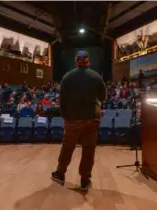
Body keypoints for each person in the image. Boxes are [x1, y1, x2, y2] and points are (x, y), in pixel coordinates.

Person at [51, 50, 106, 191]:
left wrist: (65, 116)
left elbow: (62, 100)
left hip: (73, 119)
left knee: (68, 147)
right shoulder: (96, 77)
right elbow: (103, 98)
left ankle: (60, 173)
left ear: (76, 61)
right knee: (89, 149)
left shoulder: (67, 77)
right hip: (92, 118)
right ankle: (85, 179)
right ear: (88, 61)